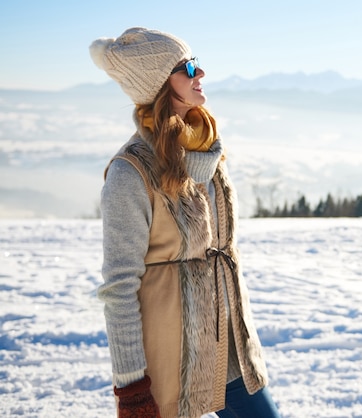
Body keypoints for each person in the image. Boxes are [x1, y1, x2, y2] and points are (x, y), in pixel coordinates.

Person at [90, 27, 280, 418]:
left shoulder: (205, 149)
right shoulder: (131, 174)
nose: (200, 73)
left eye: (197, 62)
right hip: (168, 366)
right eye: (187, 67)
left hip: (228, 353)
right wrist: (132, 388)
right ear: (159, 83)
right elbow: (119, 287)